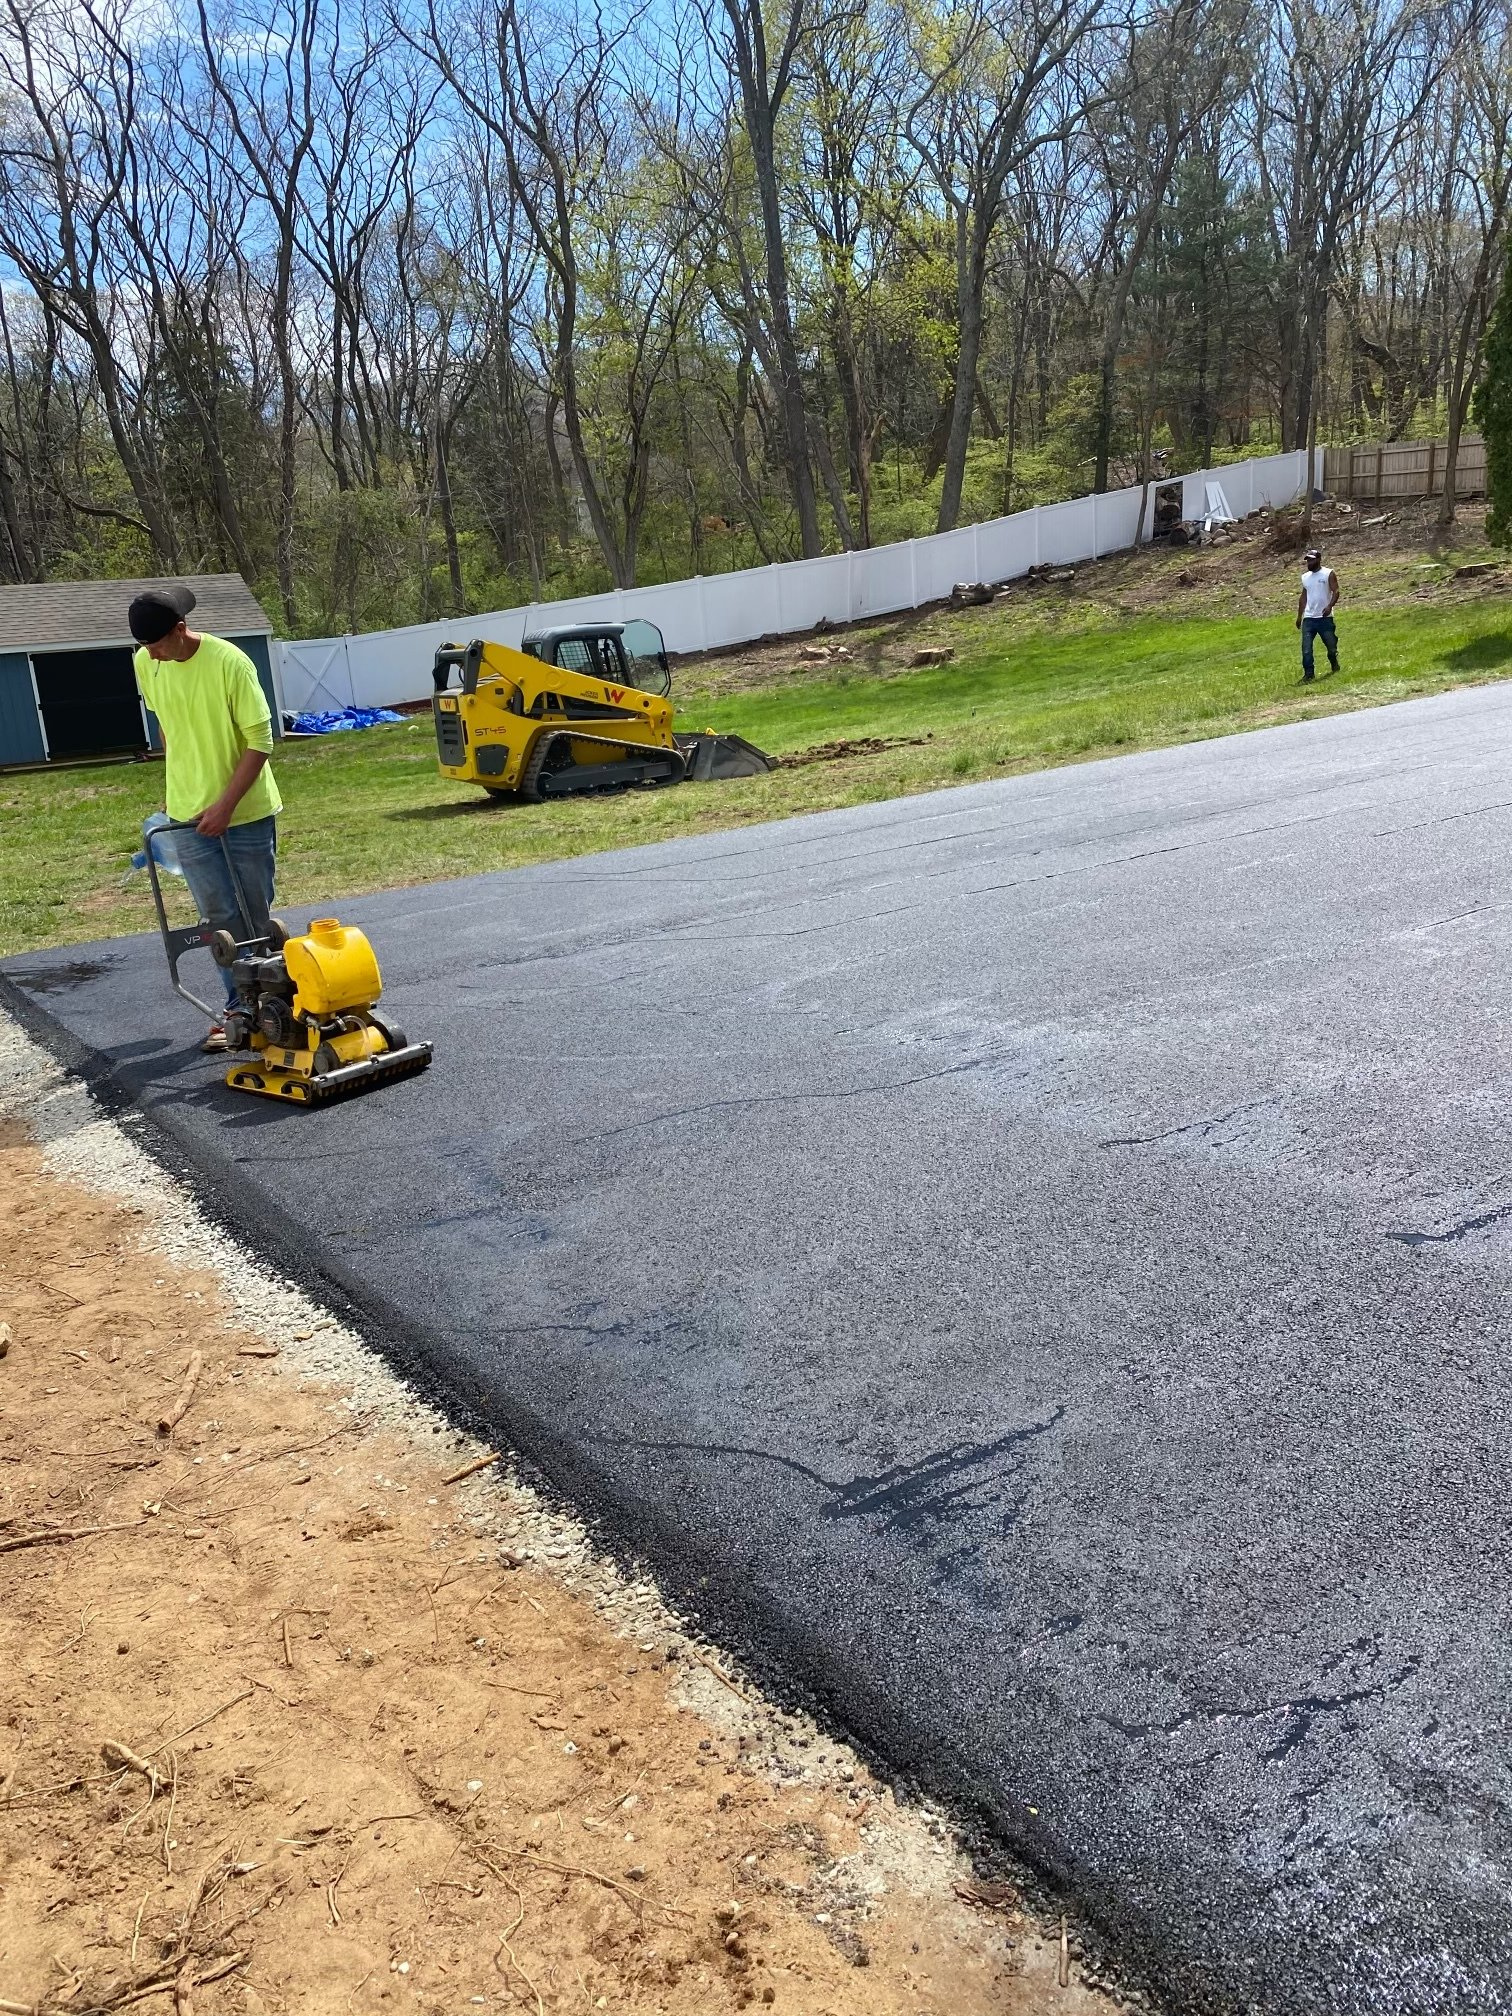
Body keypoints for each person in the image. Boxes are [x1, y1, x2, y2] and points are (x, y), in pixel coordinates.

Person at [130, 583, 283, 1052]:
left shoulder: (230, 663)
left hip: (247, 813)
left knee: (254, 916)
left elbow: (262, 740)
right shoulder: (145, 663)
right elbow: (167, 723)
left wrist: (225, 805)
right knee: (218, 917)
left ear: (181, 630)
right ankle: (239, 1009)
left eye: (158, 645)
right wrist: (178, 784)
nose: (152, 657)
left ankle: (275, 1006)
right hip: (187, 815)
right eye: (145, 649)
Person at [1295, 547, 1340, 682]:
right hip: (1309, 618)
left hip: (1325, 618)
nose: (1309, 563)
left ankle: (1333, 661)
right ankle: (1309, 674)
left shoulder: (1328, 573)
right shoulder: (1305, 577)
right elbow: (1303, 597)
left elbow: (1336, 591)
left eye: (1312, 560)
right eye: (1308, 561)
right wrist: (1299, 616)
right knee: (1306, 648)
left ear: (1319, 560)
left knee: (1331, 647)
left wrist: (1329, 606)